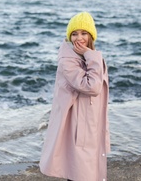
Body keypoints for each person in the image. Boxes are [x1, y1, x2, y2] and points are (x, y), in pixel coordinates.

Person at [39, 11, 110, 181]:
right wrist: (92, 56)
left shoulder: (85, 56)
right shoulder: (68, 60)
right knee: (79, 171)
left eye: (84, 33)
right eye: (75, 34)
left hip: (88, 121)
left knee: (83, 171)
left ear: (91, 36)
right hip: (78, 124)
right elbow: (92, 86)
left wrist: (89, 55)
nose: (79, 38)